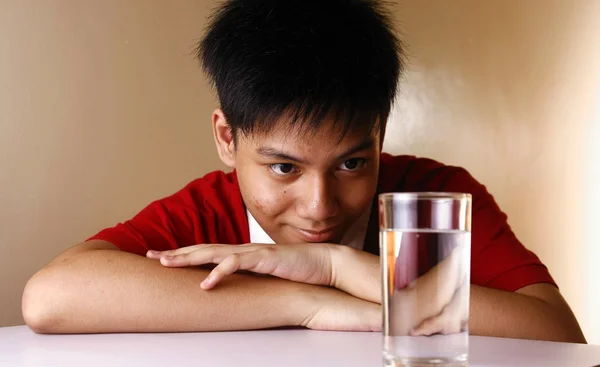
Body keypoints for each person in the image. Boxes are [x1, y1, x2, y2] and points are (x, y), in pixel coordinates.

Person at [22, 0, 585, 343]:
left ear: (380, 133)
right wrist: (306, 301)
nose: (320, 205)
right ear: (227, 138)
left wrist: (332, 265)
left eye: (351, 163)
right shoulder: (209, 208)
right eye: (284, 168)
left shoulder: (432, 195)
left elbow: (556, 334)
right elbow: (51, 298)